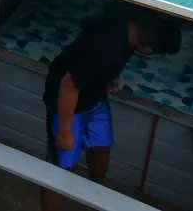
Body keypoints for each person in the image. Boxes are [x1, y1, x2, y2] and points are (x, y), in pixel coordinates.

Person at [41, 11, 181, 210]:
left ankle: (96, 194)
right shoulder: (104, 49)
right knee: (60, 167)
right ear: (147, 50)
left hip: (94, 95)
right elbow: (67, 86)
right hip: (68, 101)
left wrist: (110, 76)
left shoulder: (130, 26)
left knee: (101, 147)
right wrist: (65, 131)